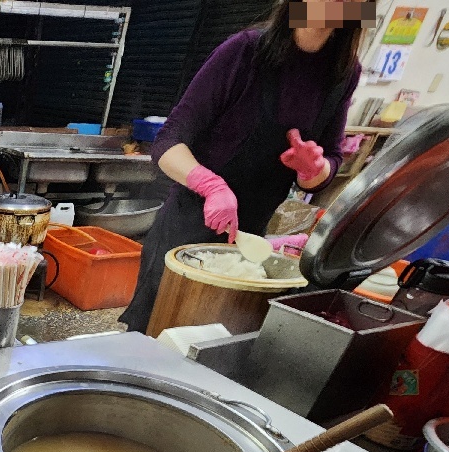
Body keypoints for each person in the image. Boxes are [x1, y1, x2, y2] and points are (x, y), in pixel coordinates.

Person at [120, 0, 369, 333]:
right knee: (159, 325)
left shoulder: (344, 72)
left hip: (251, 232)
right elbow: (168, 140)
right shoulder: (246, 51)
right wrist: (211, 185)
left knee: (217, 332)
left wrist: (314, 168)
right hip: (190, 221)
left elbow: (328, 165)